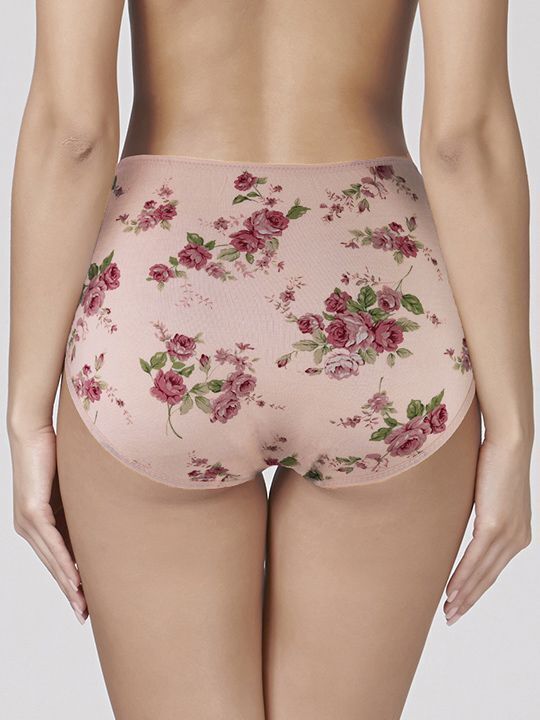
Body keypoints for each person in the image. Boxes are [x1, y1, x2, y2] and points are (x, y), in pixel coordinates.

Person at [8, 1, 533, 718]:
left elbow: (72, 131)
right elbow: (462, 140)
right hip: (378, 296)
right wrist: (513, 430)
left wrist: (26, 412)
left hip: (163, 298)